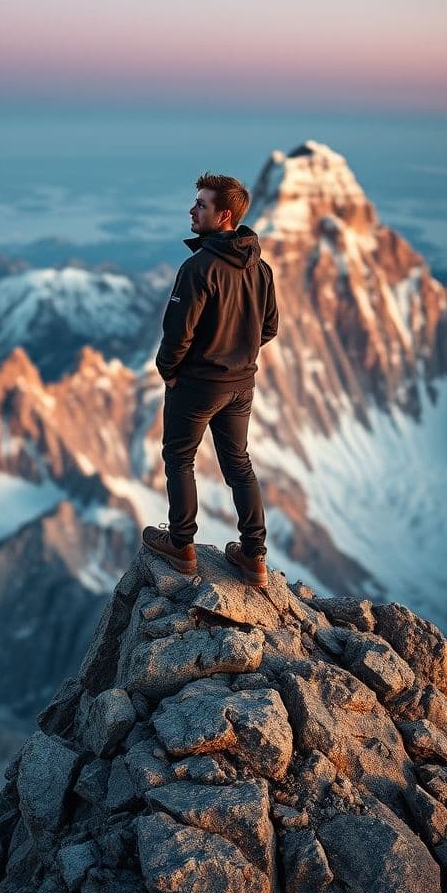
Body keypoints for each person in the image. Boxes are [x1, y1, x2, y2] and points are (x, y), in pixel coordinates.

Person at [142, 172, 278, 587]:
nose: (191, 210)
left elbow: (177, 333)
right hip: (241, 385)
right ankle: (253, 556)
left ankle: (181, 546)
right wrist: (238, 354)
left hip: (198, 386)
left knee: (179, 458)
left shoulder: (198, 267)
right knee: (239, 464)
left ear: (223, 217)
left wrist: (170, 372)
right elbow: (269, 327)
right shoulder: (261, 268)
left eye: (201, 204)